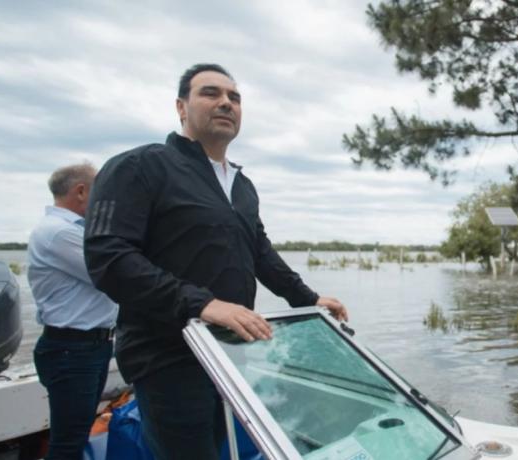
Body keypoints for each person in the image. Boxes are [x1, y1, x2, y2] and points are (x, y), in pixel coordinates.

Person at [83, 63, 348, 460]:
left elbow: (259, 251)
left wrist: (308, 298)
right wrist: (204, 305)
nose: (225, 102)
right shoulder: (138, 166)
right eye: (211, 93)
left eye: (234, 98)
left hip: (231, 354)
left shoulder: (241, 185)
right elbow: (108, 257)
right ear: (181, 107)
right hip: (167, 355)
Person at [28, 163, 118, 460]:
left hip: (88, 347)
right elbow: (111, 271)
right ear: (81, 191)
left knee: (75, 436)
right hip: (73, 350)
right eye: (101, 191)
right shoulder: (59, 233)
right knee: (68, 442)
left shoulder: (70, 231)